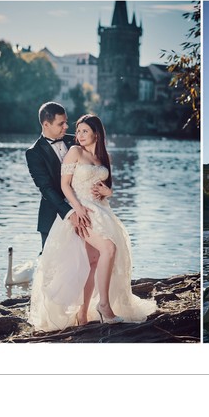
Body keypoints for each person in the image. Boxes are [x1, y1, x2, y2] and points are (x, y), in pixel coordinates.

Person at [28, 114, 156, 331]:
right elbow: (64, 185)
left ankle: (83, 313)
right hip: (81, 211)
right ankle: (104, 306)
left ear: (97, 133)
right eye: (77, 131)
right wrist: (76, 209)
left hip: (102, 211)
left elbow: (103, 187)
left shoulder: (101, 157)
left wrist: (109, 192)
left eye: (84, 131)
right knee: (109, 248)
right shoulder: (74, 151)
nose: (78, 134)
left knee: (93, 261)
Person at [25, 102, 90, 250]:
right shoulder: (34, 153)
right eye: (61, 123)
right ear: (46, 125)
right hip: (53, 216)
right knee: (51, 265)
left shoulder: (76, 140)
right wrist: (70, 213)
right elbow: (46, 188)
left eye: (66, 122)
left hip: (85, 212)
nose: (66, 126)